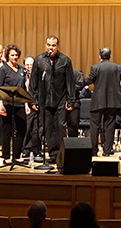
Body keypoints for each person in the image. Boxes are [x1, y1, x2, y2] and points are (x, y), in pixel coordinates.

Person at [30, 35, 77, 164]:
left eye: (53, 45)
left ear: (57, 46)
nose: (50, 48)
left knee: (61, 126)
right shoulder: (39, 60)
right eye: (48, 45)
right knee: (48, 128)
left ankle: (62, 154)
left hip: (60, 100)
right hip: (44, 100)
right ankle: (53, 153)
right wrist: (33, 100)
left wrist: (71, 100)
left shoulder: (65, 60)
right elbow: (33, 82)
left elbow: (70, 83)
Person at [85, 47, 121, 157]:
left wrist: (78, 82)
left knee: (95, 126)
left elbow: (88, 80)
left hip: (98, 101)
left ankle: (93, 151)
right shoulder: (117, 67)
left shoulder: (95, 67)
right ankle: (107, 151)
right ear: (110, 56)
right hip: (113, 101)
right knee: (109, 126)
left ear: (99, 56)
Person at [0, 44, 29, 165]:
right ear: (8, 56)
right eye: (12, 55)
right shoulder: (3, 69)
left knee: (22, 128)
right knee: (7, 130)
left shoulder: (21, 70)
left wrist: (26, 104)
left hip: (19, 104)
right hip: (7, 103)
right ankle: (6, 157)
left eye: (16, 55)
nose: (14, 57)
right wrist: (1, 105)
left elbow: (23, 88)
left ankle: (17, 155)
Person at [22, 55, 43, 161]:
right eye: (27, 64)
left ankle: (37, 150)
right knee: (27, 128)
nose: (29, 66)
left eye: (31, 64)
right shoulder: (22, 77)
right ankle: (25, 150)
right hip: (27, 105)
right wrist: (26, 105)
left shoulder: (38, 76)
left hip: (37, 104)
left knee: (37, 129)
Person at [66, 68, 86, 138]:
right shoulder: (56, 72)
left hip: (74, 102)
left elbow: (80, 84)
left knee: (73, 125)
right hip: (58, 102)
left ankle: (72, 145)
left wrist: (67, 90)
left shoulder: (76, 73)